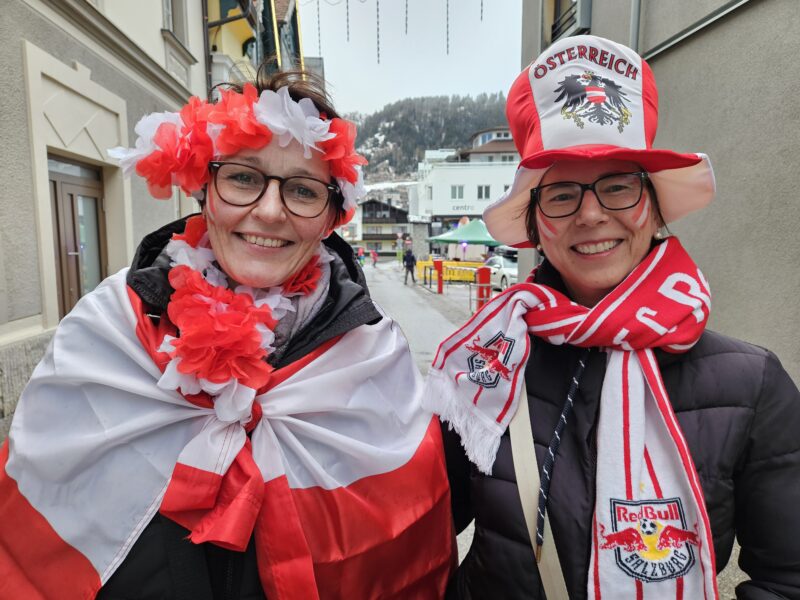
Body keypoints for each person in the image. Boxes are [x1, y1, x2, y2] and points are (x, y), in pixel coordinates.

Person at [0, 68, 455, 599]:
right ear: (203, 188)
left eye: (303, 191)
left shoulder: (373, 351)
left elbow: (407, 548)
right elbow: (33, 535)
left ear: (330, 217)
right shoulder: (108, 326)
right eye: (242, 177)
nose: (267, 211)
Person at [424, 35, 800, 599]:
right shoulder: (484, 365)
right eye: (562, 195)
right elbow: (417, 530)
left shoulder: (753, 382)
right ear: (535, 227)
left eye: (619, 187)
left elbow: (787, 576)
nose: (593, 214)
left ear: (652, 208)